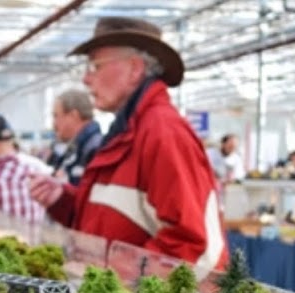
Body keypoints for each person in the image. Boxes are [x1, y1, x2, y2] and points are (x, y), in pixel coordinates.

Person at [28, 17, 226, 279]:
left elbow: (193, 247)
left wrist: (109, 276)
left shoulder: (163, 132)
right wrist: (63, 200)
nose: (86, 79)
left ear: (134, 69)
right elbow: (118, 218)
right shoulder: (125, 131)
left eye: (95, 66)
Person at [49, 89, 103, 186]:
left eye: (56, 116)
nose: (54, 124)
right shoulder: (76, 149)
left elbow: (93, 191)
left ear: (73, 116)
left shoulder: (95, 148)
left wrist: (64, 186)